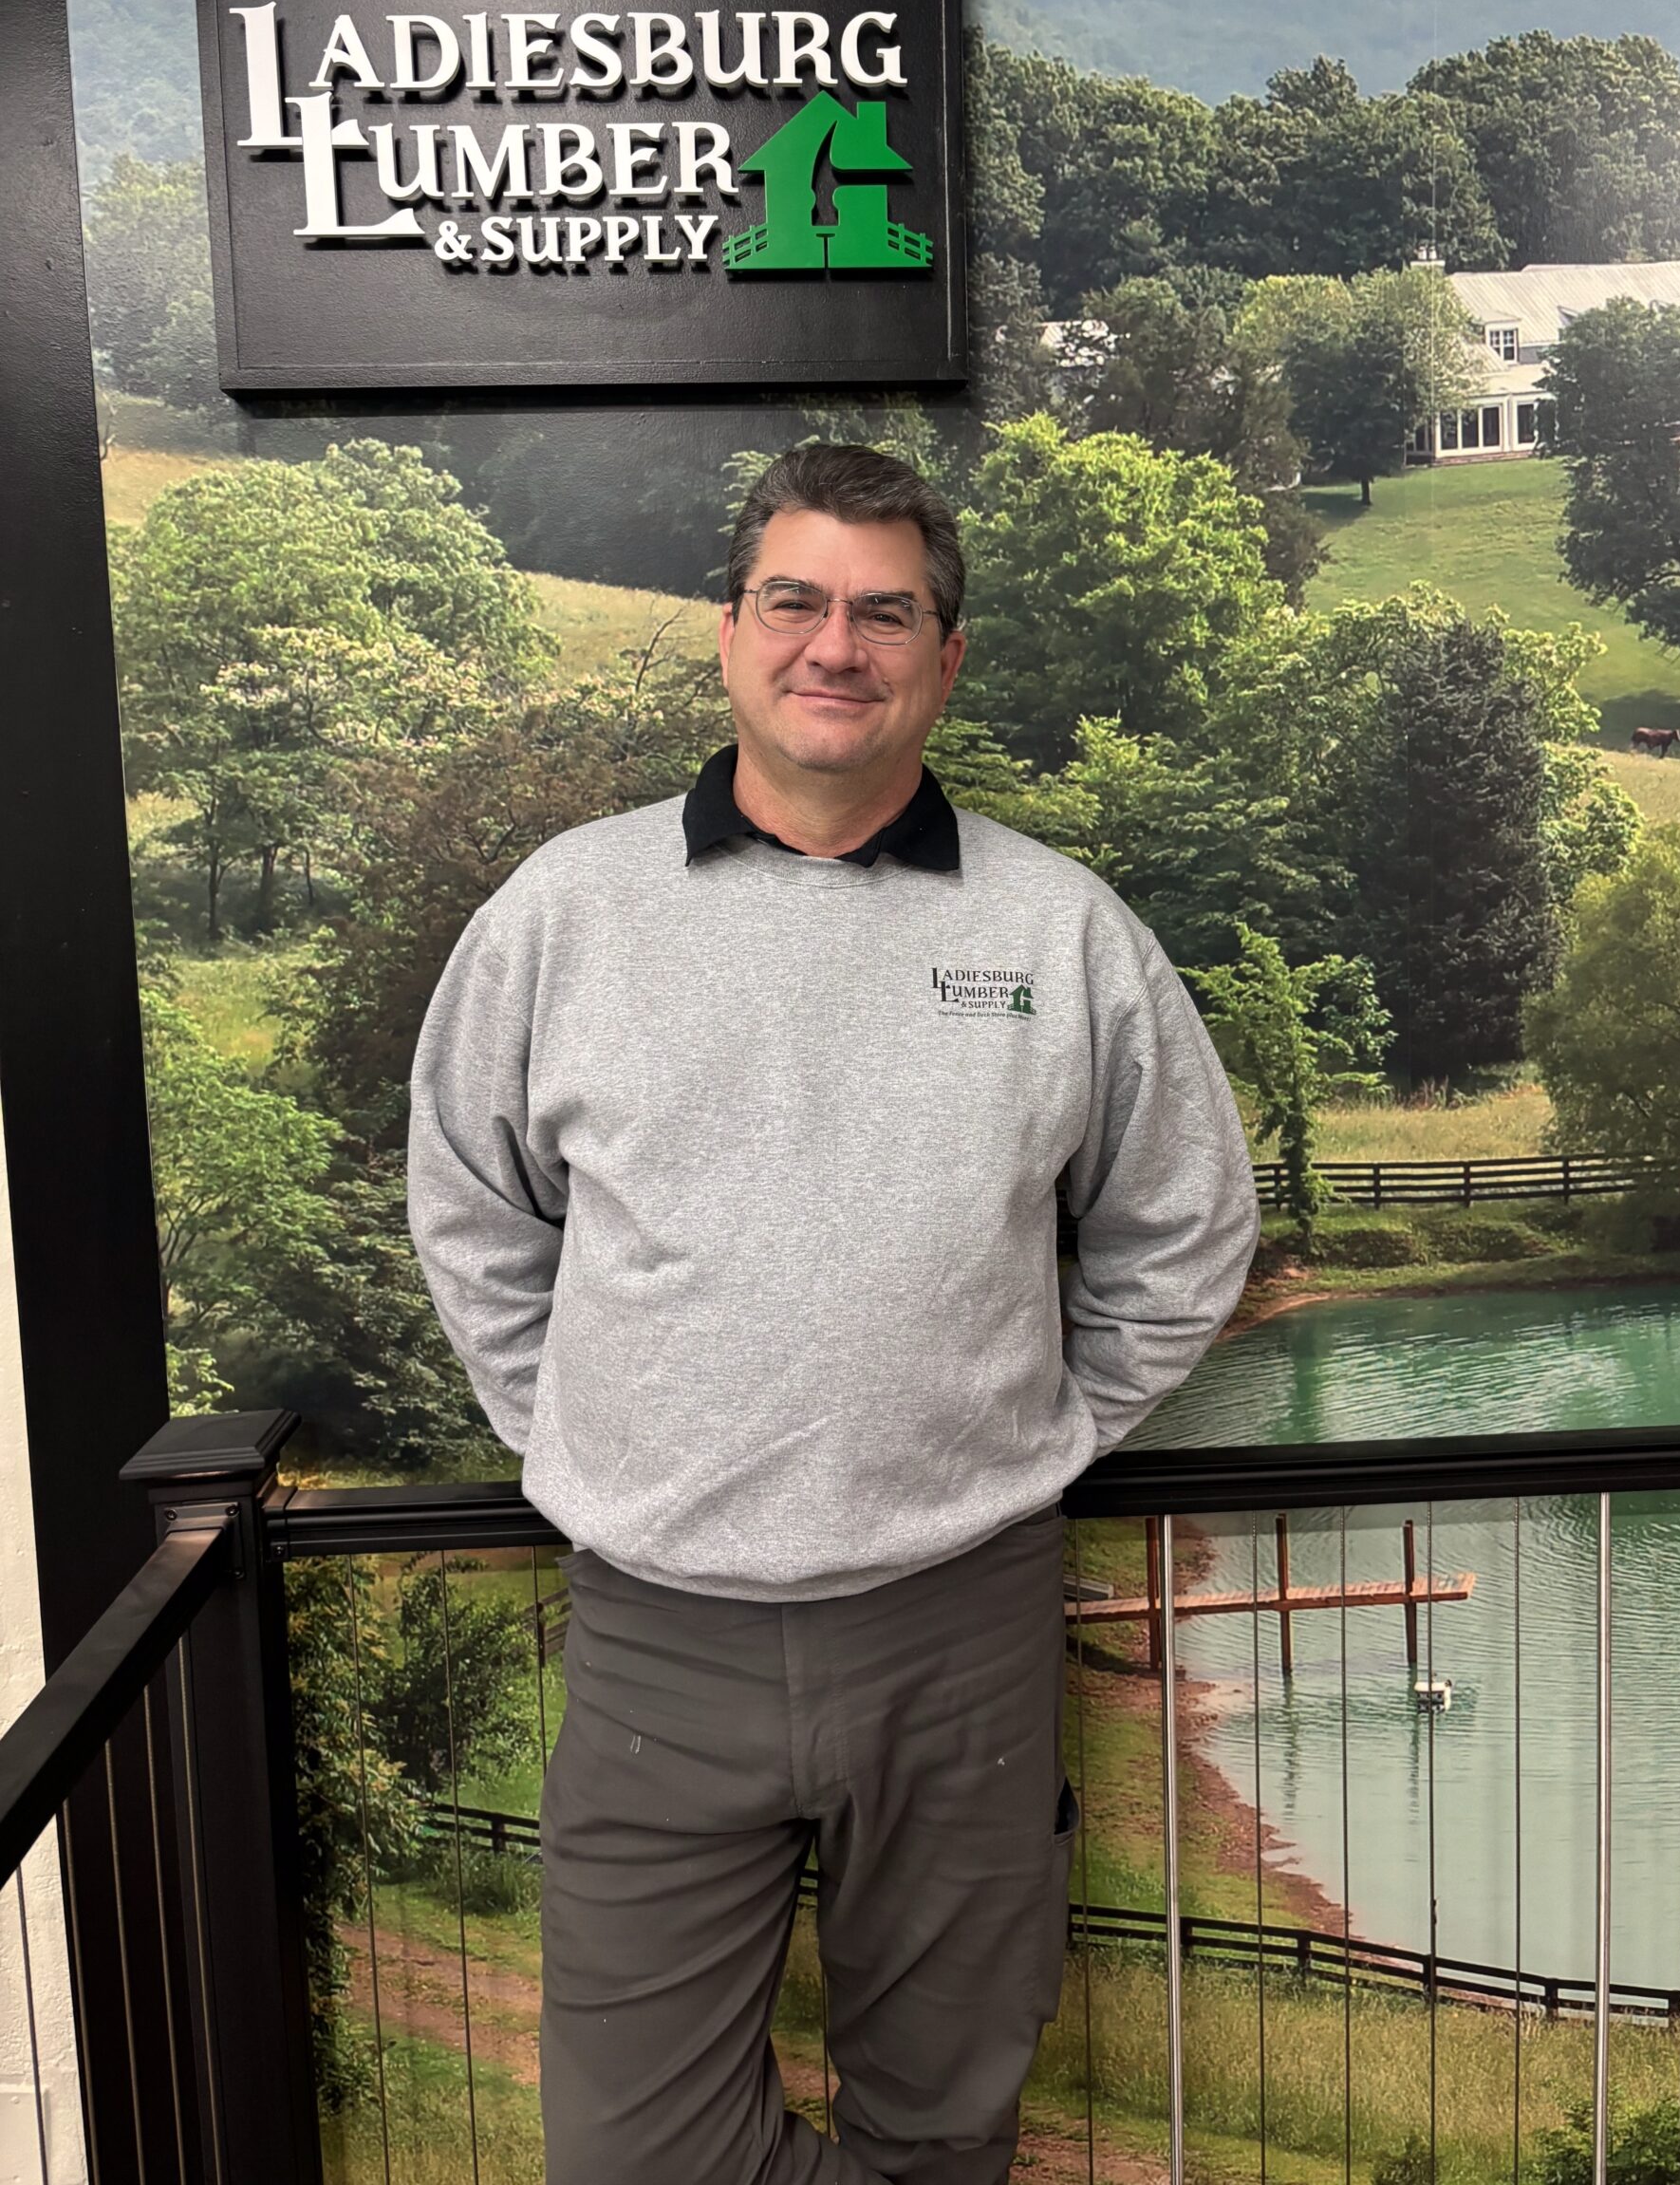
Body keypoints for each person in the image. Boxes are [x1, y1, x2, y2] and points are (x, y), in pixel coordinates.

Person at [406, 442, 1260, 2185]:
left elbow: (1180, 1238)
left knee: (947, 2126)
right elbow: (474, 1216)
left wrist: (1029, 1436)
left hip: (962, 1629)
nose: (835, 645)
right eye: (794, 601)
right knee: (631, 2157)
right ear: (727, 636)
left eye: (887, 613)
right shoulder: (565, 916)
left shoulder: (1064, 934)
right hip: (657, 1628)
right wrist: (585, 1432)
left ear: (945, 660)